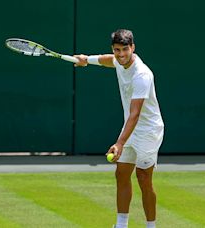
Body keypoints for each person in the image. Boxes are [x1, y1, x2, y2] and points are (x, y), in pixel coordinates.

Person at [74, 29, 164, 228]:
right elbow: (108, 60)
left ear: (133, 47)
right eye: (117, 50)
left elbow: (135, 114)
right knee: (121, 174)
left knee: (143, 179)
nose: (121, 54)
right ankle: (121, 225)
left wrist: (119, 143)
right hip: (129, 129)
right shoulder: (118, 60)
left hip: (148, 131)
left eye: (125, 49)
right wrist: (86, 59)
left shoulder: (142, 75)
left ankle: (152, 226)